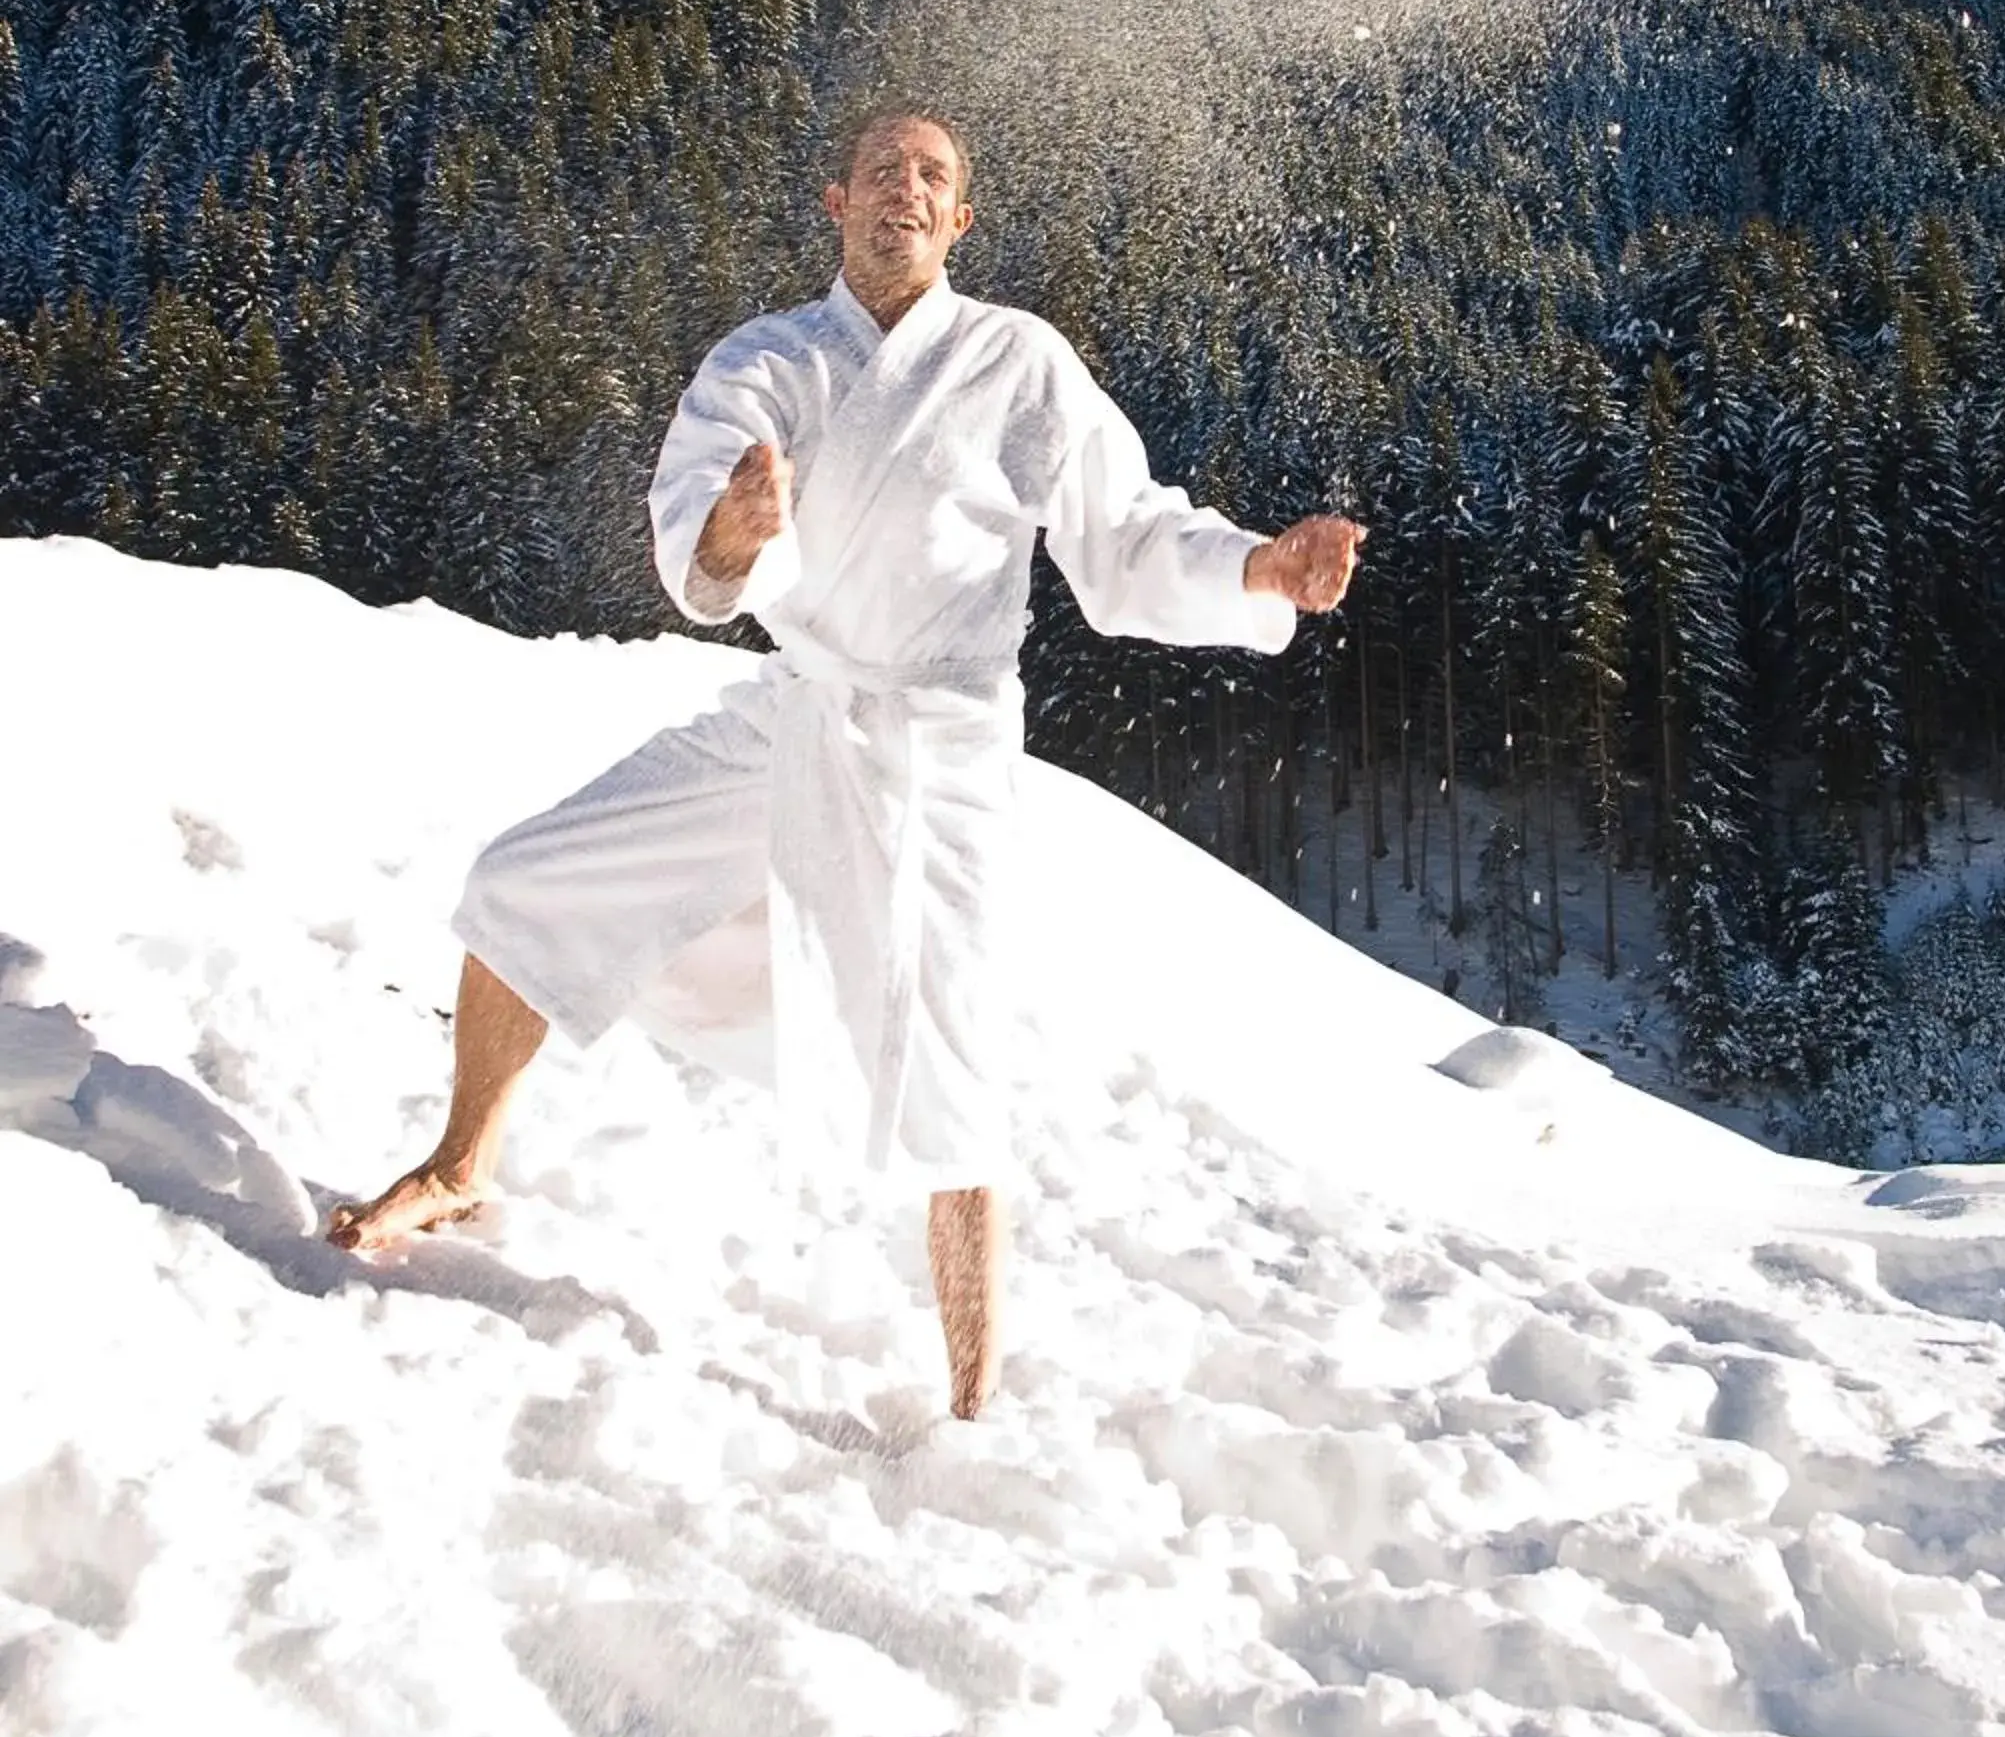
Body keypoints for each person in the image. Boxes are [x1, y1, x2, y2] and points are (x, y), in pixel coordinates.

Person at [328, 110, 1363, 1417]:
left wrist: (1259, 567)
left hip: (945, 750)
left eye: (932, 176)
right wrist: (728, 531)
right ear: (836, 200)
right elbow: (695, 527)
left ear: (961, 220)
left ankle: (973, 1400)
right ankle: (465, 1157)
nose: (904, 190)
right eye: (882, 170)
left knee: (954, 1073)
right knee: (530, 881)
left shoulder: (1018, 361)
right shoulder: (767, 360)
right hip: (798, 711)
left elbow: (1127, 539)